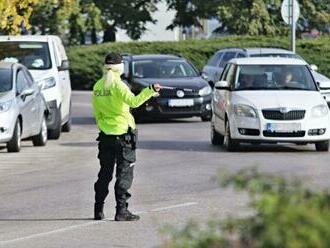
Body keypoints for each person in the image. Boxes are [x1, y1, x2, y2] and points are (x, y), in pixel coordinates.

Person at [92, 52, 161, 221]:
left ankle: (98, 209)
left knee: (104, 174)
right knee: (124, 174)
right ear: (120, 66)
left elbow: (97, 113)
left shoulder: (98, 86)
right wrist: (150, 90)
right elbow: (135, 102)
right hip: (123, 136)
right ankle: (121, 211)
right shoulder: (119, 85)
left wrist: (104, 127)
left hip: (105, 137)